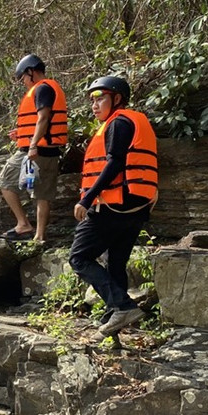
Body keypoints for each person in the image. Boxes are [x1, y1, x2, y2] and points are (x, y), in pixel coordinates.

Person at [69, 76, 158, 341]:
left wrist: (87, 199)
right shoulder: (132, 120)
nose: (95, 105)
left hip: (114, 204)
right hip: (137, 205)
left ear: (117, 98)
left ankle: (122, 306)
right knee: (116, 263)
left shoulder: (119, 122)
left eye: (101, 98)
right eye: (92, 100)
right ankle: (114, 320)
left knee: (79, 257)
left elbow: (115, 163)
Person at [0, 54, 68, 241]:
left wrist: (32, 144)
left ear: (31, 71)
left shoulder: (42, 88)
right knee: (43, 194)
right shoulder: (50, 87)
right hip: (51, 151)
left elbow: (43, 118)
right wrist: (21, 135)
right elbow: (43, 121)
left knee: (4, 182)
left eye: (23, 78)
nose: (23, 82)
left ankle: (23, 224)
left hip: (35, 152)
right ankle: (39, 236)